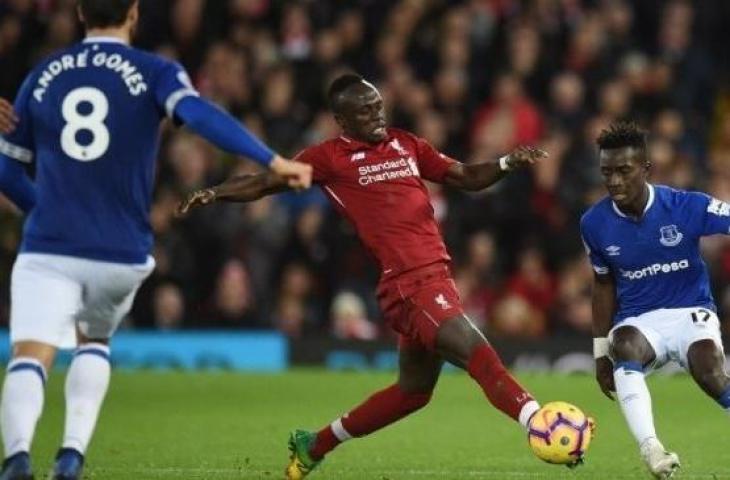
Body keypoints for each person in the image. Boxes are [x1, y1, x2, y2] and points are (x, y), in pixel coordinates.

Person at [179, 73, 554, 479]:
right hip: (410, 285)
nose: (377, 115)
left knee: (412, 393)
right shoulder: (328, 158)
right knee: (481, 357)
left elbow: (463, 176)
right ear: (342, 120)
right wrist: (217, 193)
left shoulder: (406, 143)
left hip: (434, 278)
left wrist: (505, 163)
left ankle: (314, 444)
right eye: (365, 110)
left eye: (378, 105)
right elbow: (265, 181)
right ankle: (540, 424)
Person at [0, 1, 312, 479]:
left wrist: (46, 209)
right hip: (121, 251)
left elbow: (7, 169)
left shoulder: (43, 74)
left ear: (81, 14)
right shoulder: (153, 71)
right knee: (94, 341)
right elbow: (201, 115)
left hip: (51, 245)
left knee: (31, 355)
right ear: (134, 14)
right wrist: (272, 160)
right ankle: (70, 456)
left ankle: (18, 458)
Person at [581, 121, 730, 479]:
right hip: (639, 320)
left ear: (646, 169)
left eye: (623, 171)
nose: (614, 181)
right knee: (626, 343)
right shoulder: (594, 223)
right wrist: (602, 354)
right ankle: (652, 450)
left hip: (690, 312)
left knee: (709, 372)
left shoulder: (685, 206)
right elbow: (602, 287)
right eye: (606, 172)